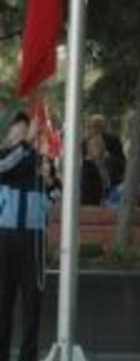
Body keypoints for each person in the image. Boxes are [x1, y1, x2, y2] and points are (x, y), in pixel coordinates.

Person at [0, 112, 60, 361]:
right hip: (5, 238)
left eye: (26, 129)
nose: (23, 132)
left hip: (33, 240)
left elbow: (54, 198)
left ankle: (28, 357)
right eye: (18, 128)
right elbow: (4, 167)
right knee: (3, 304)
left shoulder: (41, 160)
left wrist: (49, 180)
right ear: (8, 134)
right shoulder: (3, 156)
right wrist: (25, 144)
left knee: (32, 306)